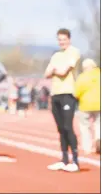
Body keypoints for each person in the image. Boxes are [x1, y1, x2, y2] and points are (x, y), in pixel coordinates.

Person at [44, 28, 81, 172]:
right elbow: (46, 74)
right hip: (55, 94)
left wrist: (54, 71)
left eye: (64, 39)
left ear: (69, 39)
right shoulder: (56, 55)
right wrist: (54, 71)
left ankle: (75, 161)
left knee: (68, 127)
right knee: (60, 129)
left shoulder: (74, 52)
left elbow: (63, 71)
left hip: (68, 93)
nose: (61, 42)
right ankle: (64, 160)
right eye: (59, 39)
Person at [74, 58, 100, 154]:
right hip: (99, 104)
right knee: (99, 124)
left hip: (85, 105)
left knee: (85, 126)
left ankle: (87, 147)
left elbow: (76, 92)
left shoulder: (82, 77)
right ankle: (99, 139)